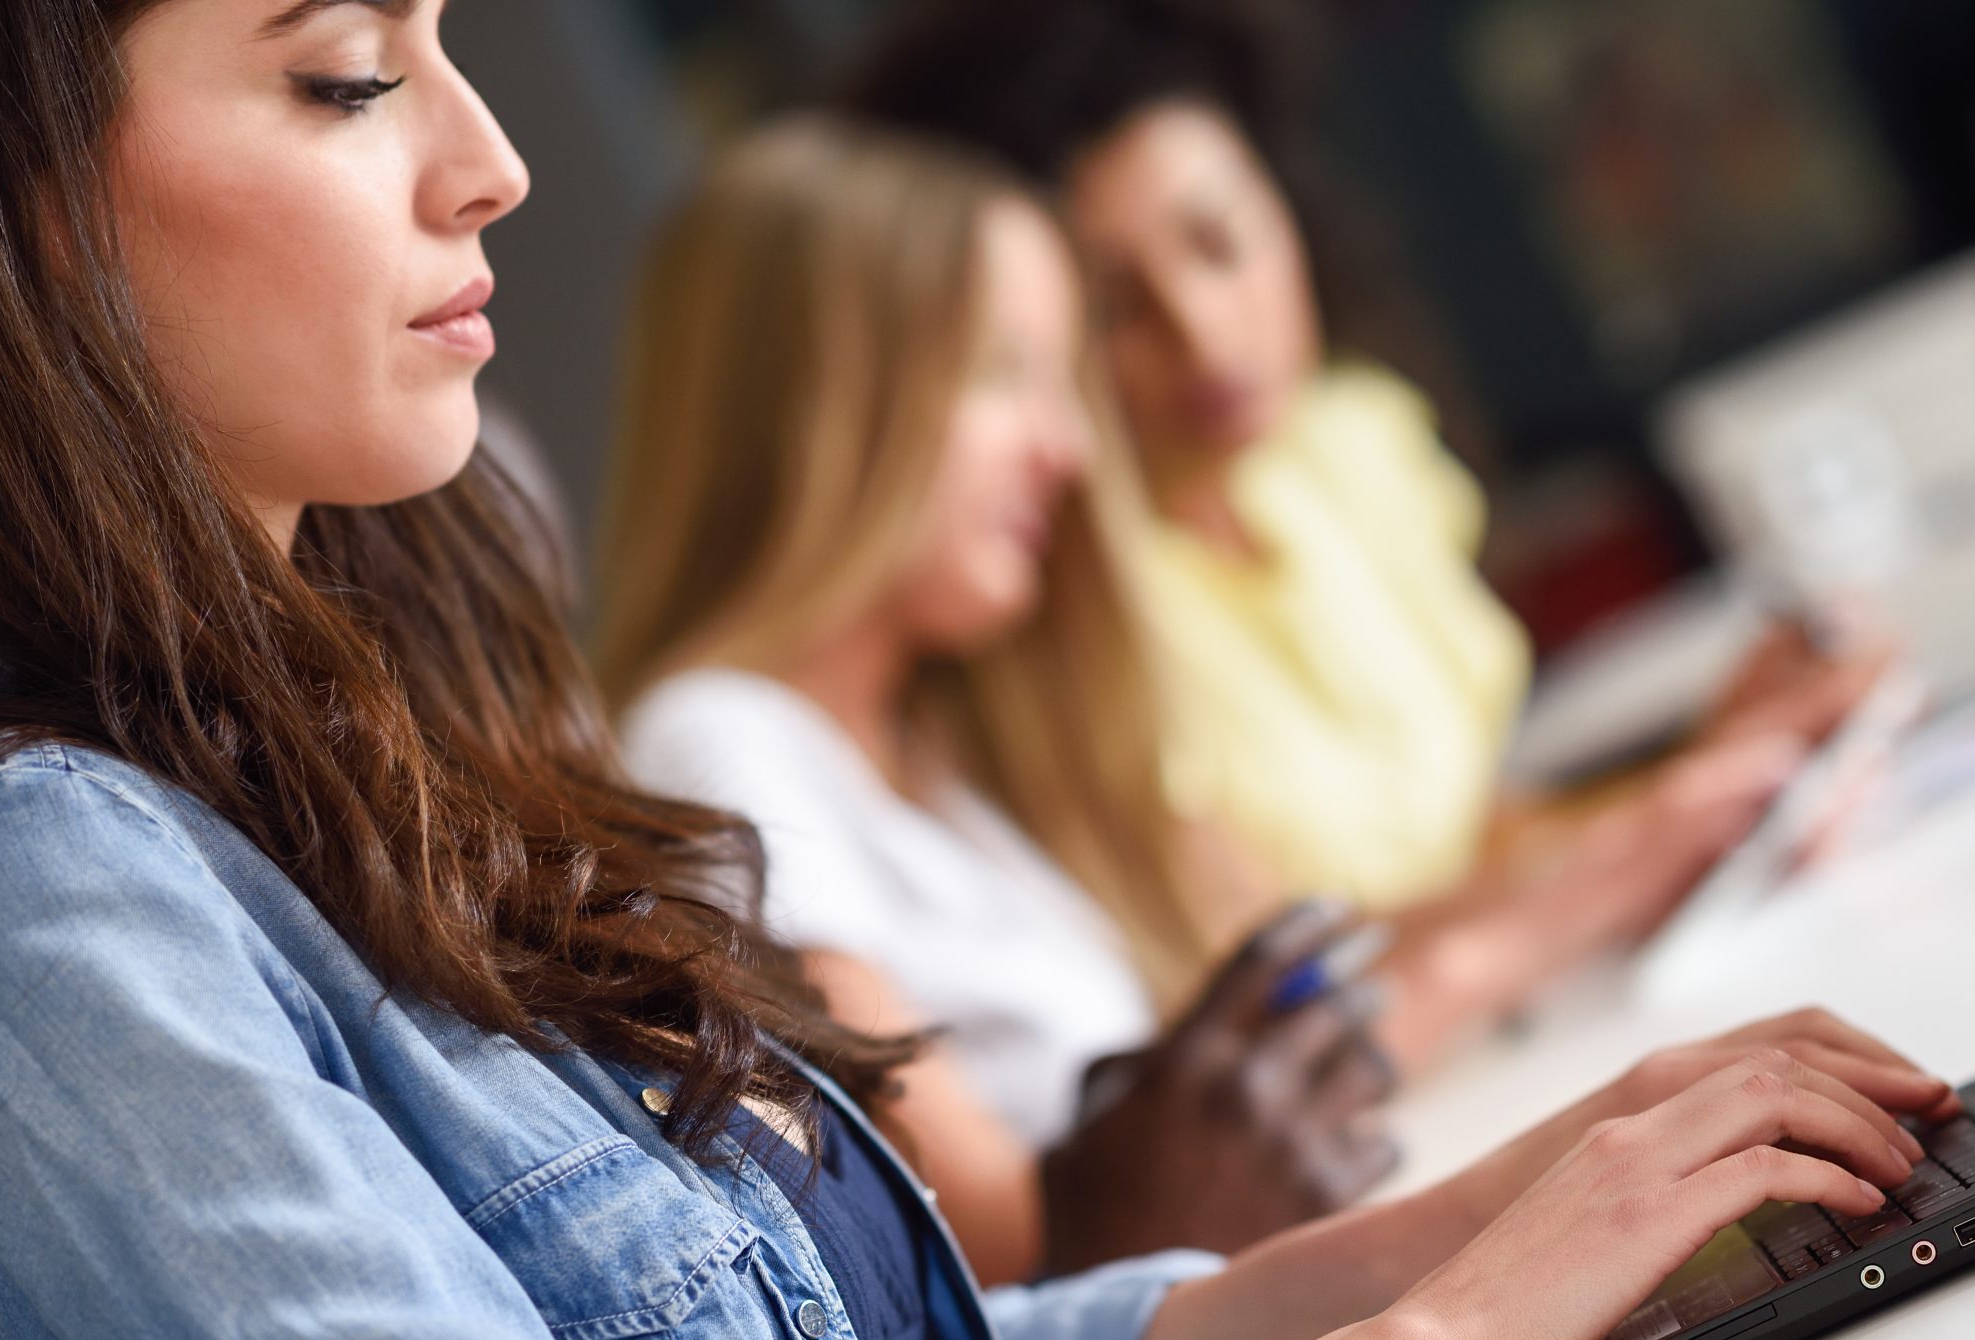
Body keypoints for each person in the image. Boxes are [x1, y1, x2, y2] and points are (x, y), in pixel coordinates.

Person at [0, 7, 1975, 1340]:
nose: (492, 153)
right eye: (343, 73)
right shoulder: (64, 907)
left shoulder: (347, 767)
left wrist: (1516, 1213)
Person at [597, 119, 1786, 1277]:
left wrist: (1662, 836)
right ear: (829, 407)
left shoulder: (926, 751)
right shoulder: (717, 741)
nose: (1067, 449)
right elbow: (1019, 1234)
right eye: (1005, 375)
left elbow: (1271, 1011)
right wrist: (1578, 903)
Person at [841, 0, 1893, 1028]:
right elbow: (1277, 978)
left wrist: (1713, 758)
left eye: (1218, 239)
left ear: (1283, 203)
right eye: (1112, 309)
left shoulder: (1346, 445)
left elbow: (1461, 838)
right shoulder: (1057, 621)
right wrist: (1664, 821)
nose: (1203, 335)